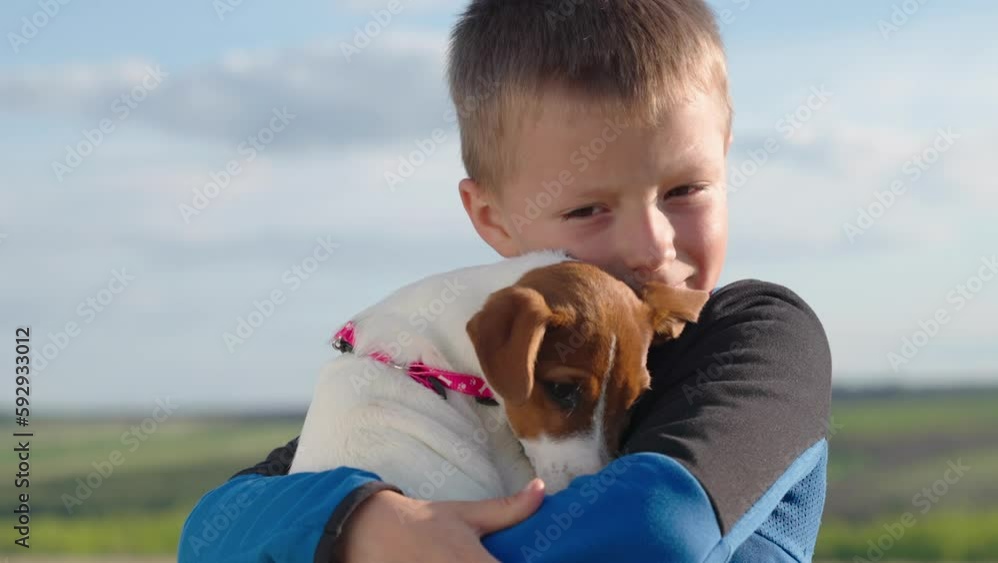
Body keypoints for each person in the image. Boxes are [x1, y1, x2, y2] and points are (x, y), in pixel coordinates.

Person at [178, 1, 832, 561]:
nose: (651, 246)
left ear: (726, 159)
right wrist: (363, 521)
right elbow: (211, 530)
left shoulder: (757, 336)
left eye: (685, 189)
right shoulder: (448, 384)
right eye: (588, 209)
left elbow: (657, 529)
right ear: (491, 217)